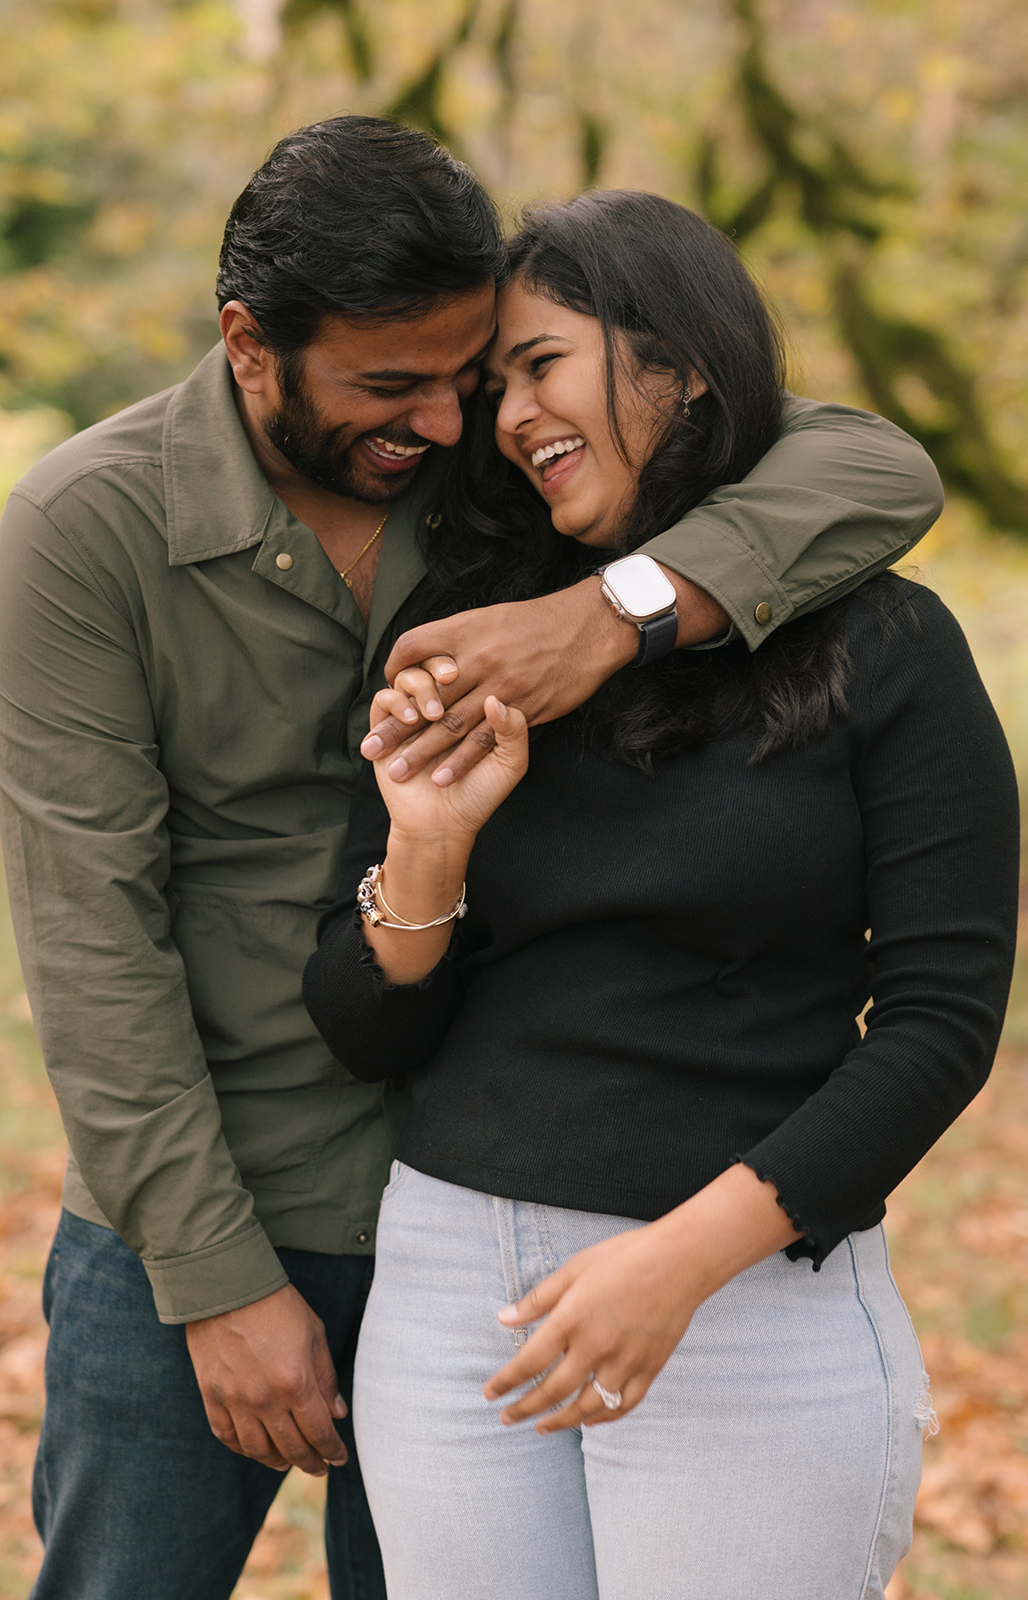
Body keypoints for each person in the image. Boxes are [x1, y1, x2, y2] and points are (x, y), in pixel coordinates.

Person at [0, 114, 943, 1600]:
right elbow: (91, 948)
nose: (439, 420)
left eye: (470, 373)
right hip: (208, 1207)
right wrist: (221, 1282)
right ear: (250, 344)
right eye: (391, 384)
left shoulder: (494, 484)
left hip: (465, 1212)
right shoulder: (88, 530)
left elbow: (870, 467)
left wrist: (604, 613)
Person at [304, 190, 1019, 1600]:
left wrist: (683, 1261)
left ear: (679, 363)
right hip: (455, 1299)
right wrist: (430, 853)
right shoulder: (476, 628)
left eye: (540, 363)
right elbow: (364, 1023)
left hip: (746, 1301)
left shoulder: (889, 643)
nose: (506, 415)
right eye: (488, 386)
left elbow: (941, 1026)